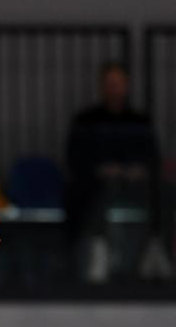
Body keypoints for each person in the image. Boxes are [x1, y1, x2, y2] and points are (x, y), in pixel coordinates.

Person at [65, 61, 163, 282]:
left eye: (118, 83)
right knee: (82, 195)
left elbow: (152, 157)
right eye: (110, 83)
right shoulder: (87, 120)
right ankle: (94, 252)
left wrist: (138, 170)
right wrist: (101, 170)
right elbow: (74, 158)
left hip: (136, 188)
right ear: (102, 86)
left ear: (126, 86)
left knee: (164, 192)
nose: (114, 88)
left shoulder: (139, 121)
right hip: (96, 187)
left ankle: (155, 250)